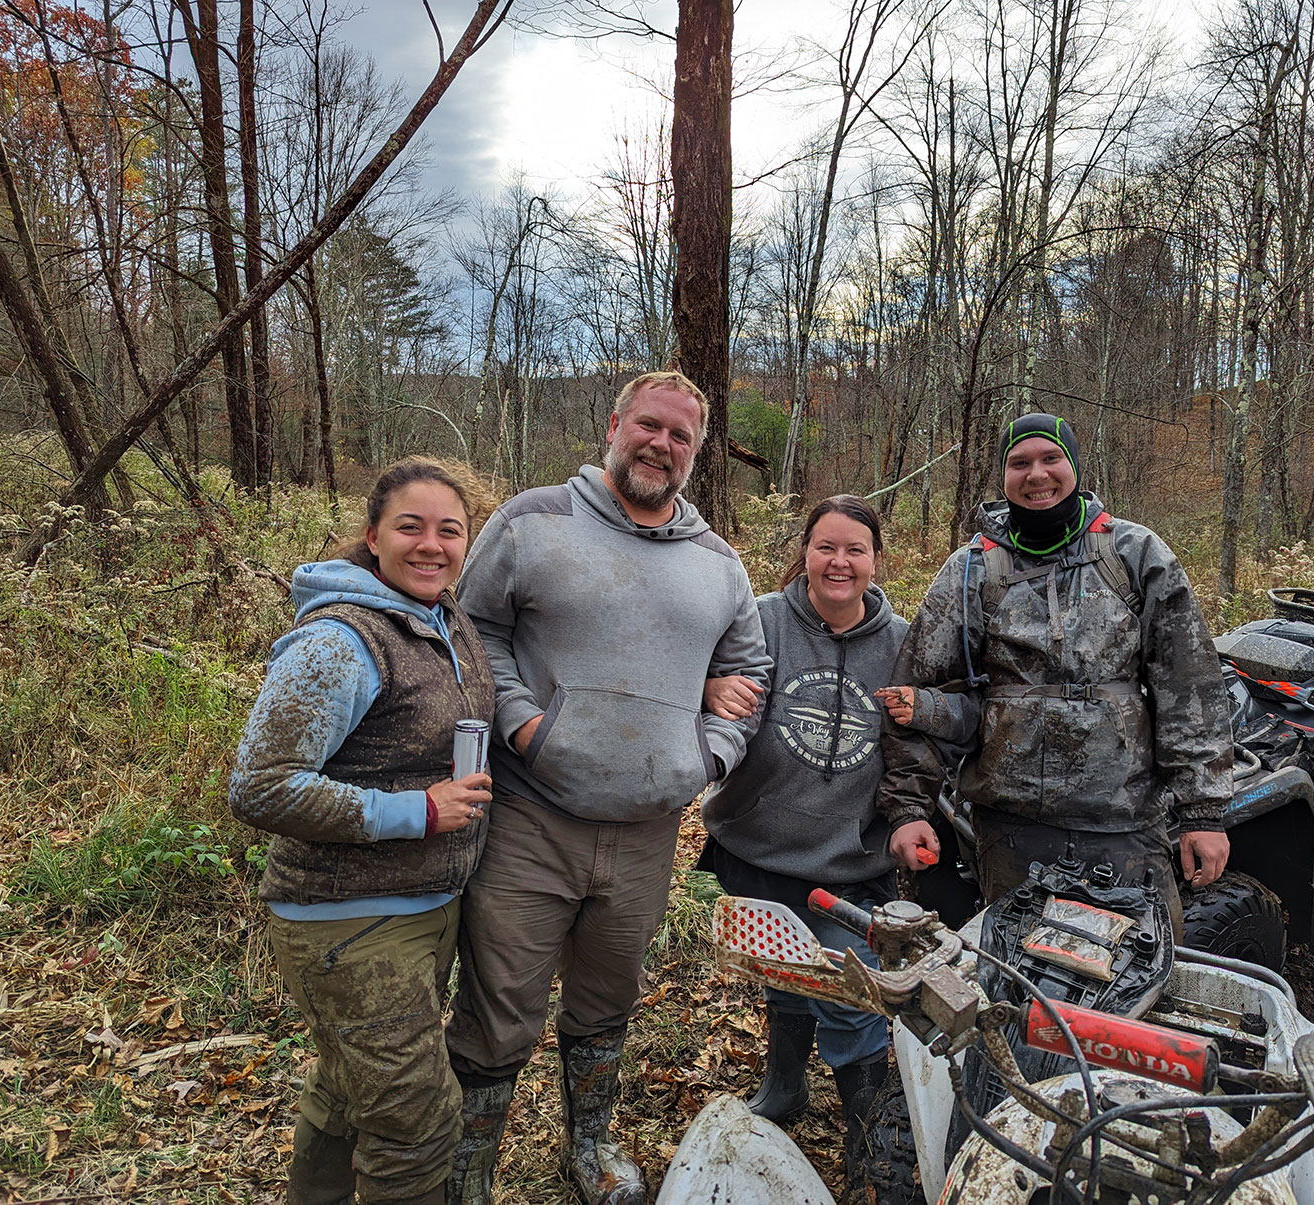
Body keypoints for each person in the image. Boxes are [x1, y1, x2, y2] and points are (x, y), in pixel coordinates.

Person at [445, 370, 773, 1205]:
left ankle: (589, 1142)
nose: (661, 445)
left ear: (696, 454)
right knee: (500, 1005)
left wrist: (710, 757)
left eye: (681, 437)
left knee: (606, 997)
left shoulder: (718, 564)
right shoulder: (532, 522)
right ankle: (467, 1169)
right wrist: (526, 721)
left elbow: (749, 668)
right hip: (531, 815)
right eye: (650, 426)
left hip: (647, 830)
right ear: (615, 424)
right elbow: (472, 625)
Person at [229, 457, 496, 1205]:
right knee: (416, 1124)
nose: (431, 544)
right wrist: (419, 810)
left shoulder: (444, 618)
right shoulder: (343, 639)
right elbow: (260, 785)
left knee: (349, 1093)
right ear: (372, 535)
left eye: (450, 530)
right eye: (410, 526)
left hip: (415, 911)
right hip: (350, 920)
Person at [876, 413, 1233, 926]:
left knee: (1139, 976)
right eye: (1019, 463)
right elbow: (916, 696)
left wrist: (1203, 812)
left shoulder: (1134, 554)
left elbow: (1189, 685)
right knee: (1018, 983)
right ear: (1003, 477)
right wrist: (909, 810)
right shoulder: (972, 569)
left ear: (1075, 466)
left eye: (1050, 459)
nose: (1036, 475)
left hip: (1126, 823)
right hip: (1012, 830)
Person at [697, 495, 907, 1190]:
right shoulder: (759, 619)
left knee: (847, 990)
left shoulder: (903, 640)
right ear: (805, 552)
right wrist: (709, 683)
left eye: (855, 549)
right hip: (757, 846)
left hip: (851, 858)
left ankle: (867, 1131)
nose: (839, 561)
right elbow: (695, 680)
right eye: (826, 547)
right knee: (783, 966)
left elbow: (936, 732)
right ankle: (784, 1085)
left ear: (877, 560)